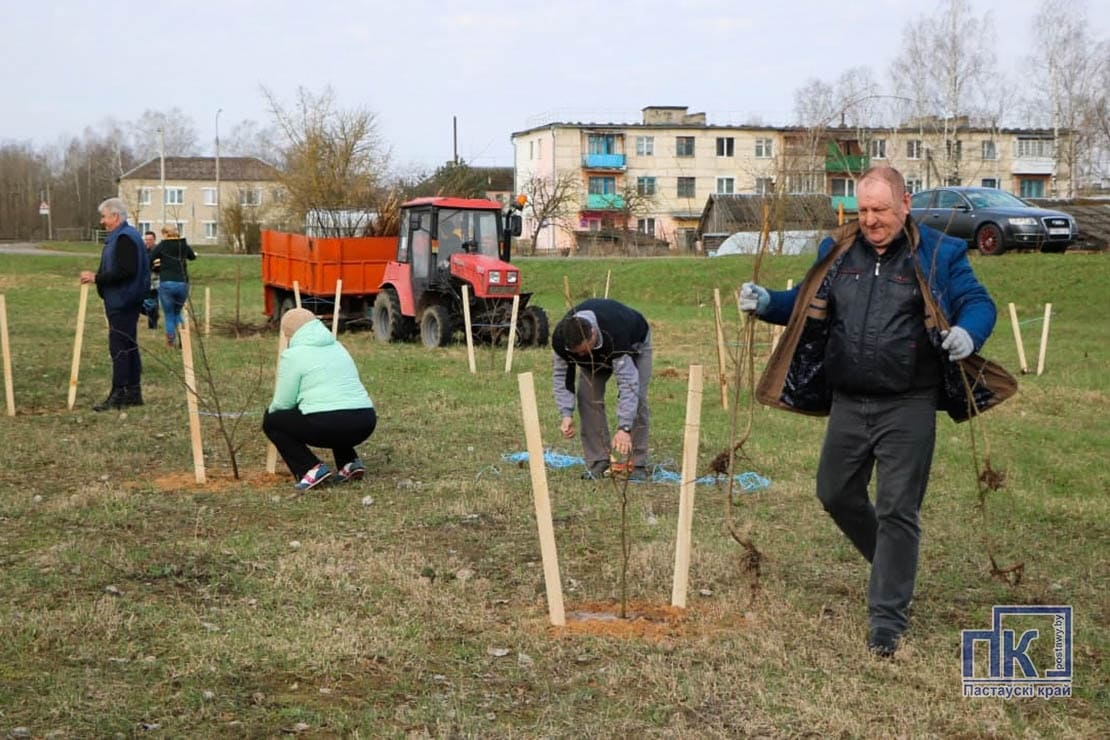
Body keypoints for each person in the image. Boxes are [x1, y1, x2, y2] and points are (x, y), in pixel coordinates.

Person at [740, 166, 998, 658]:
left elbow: (976, 302)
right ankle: (893, 567)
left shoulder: (939, 253)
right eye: (863, 210)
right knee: (834, 491)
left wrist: (969, 332)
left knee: (899, 507)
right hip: (849, 400)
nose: (872, 221)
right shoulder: (837, 251)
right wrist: (768, 301)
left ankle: (886, 622)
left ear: (905, 203)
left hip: (909, 401)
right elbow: (804, 302)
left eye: (880, 210)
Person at [262, 308, 378, 490]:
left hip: (328, 424)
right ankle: (349, 462)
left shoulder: (294, 355)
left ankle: (310, 468)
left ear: (289, 334)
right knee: (335, 410)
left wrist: (271, 410)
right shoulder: (338, 346)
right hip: (365, 420)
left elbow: (284, 403)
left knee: (273, 421)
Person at [551, 298, 653, 481]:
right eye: (578, 353)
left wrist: (624, 428)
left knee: (637, 399)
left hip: (635, 344)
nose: (582, 355)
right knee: (587, 397)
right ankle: (599, 459)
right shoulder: (561, 339)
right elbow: (561, 376)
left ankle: (638, 463)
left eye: (584, 350)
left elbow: (628, 385)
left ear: (592, 333)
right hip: (600, 356)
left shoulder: (615, 332)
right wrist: (566, 414)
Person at [80, 198, 151, 411]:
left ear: (116, 217)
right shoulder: (123, 237)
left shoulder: (125, 238)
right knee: (129, 345)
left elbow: (126, 271)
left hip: (124, 300)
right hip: (123, 299)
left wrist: (96, 278)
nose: (102, 222)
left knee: (119, 347)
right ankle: (133, 392)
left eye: (104, 217)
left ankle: (120, 392)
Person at [149, 226, 197, 347]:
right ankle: (183, 338)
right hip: (182, 283)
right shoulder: (183, 244)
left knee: (169, 314)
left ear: (166, 234)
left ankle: (171, 340)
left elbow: (150, 259)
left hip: (167, 284)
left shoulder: (162, 245)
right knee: (177, 312)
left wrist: (157, 267)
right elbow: (192, 256)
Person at [141, 231, 160, 330]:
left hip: (154, 281)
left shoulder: (157, 250)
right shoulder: (142, 250)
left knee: (153, 302)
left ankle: (153, 325)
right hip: (143, 280)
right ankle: (152, 316)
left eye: (150, 240)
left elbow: (158, 266)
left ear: (154, 240)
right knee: (142, 302)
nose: (148, 242)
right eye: (146, 239)